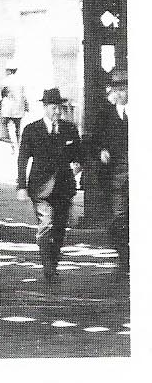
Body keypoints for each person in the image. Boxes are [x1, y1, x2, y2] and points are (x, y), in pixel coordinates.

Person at [16, 87, 84, 285]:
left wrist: (78, 165)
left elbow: (79, 154)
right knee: (46, 225)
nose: (57, 111)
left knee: (60, 228)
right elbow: (22, 159)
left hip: (64, 186)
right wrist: (21, 186)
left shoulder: (69, 128)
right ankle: (48, 266)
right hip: (40, 188)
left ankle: (53, 262)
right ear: (45, 107)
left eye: (60, 108)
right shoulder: (32, 129)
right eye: (54, 107)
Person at [86, 68, 128, 273]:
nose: (120, 93)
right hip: (114, 177)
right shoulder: (105, 115)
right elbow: (93, 141)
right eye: (116, 89)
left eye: (124, 88)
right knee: (117, 219)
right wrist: (101, 150)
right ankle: (124, 257)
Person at [0, 66, 28, 145]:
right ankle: (18, 143)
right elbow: (24, 95)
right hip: (19, 107)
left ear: (9, 71)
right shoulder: (21, 81)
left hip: (8, 107)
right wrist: (26, 106)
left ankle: (7, 139)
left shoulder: (5, 80)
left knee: (4, 123)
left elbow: (1, 93)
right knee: (18, 127)